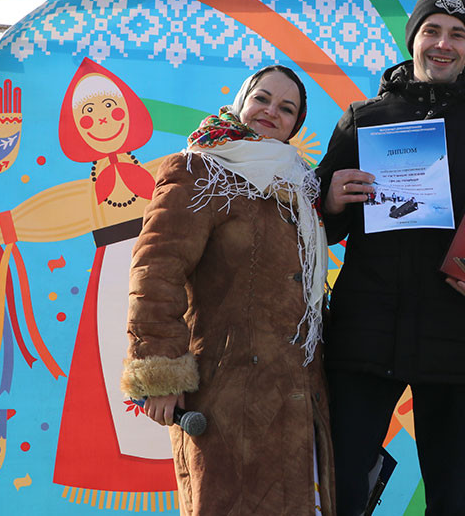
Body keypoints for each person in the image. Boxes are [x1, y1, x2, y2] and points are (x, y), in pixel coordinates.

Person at [315, 0, 465, 516]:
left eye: (457, 35)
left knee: (452, 501)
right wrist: (330, 199)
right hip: (367, 334)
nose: (443, 44)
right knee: (342, 492)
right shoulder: (363, 118)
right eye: (432, 31)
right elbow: (321, 224)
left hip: (458, 337)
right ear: (413, 39)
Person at [120, 65, 334, 515]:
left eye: (287, 108)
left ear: (296, 124)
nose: (271, 111)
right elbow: (156, 271)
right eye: (262, 98)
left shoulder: (300, 187)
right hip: (226, 396)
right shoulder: (199, 169)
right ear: (241, 102)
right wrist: (160, 372)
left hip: (296, 399)